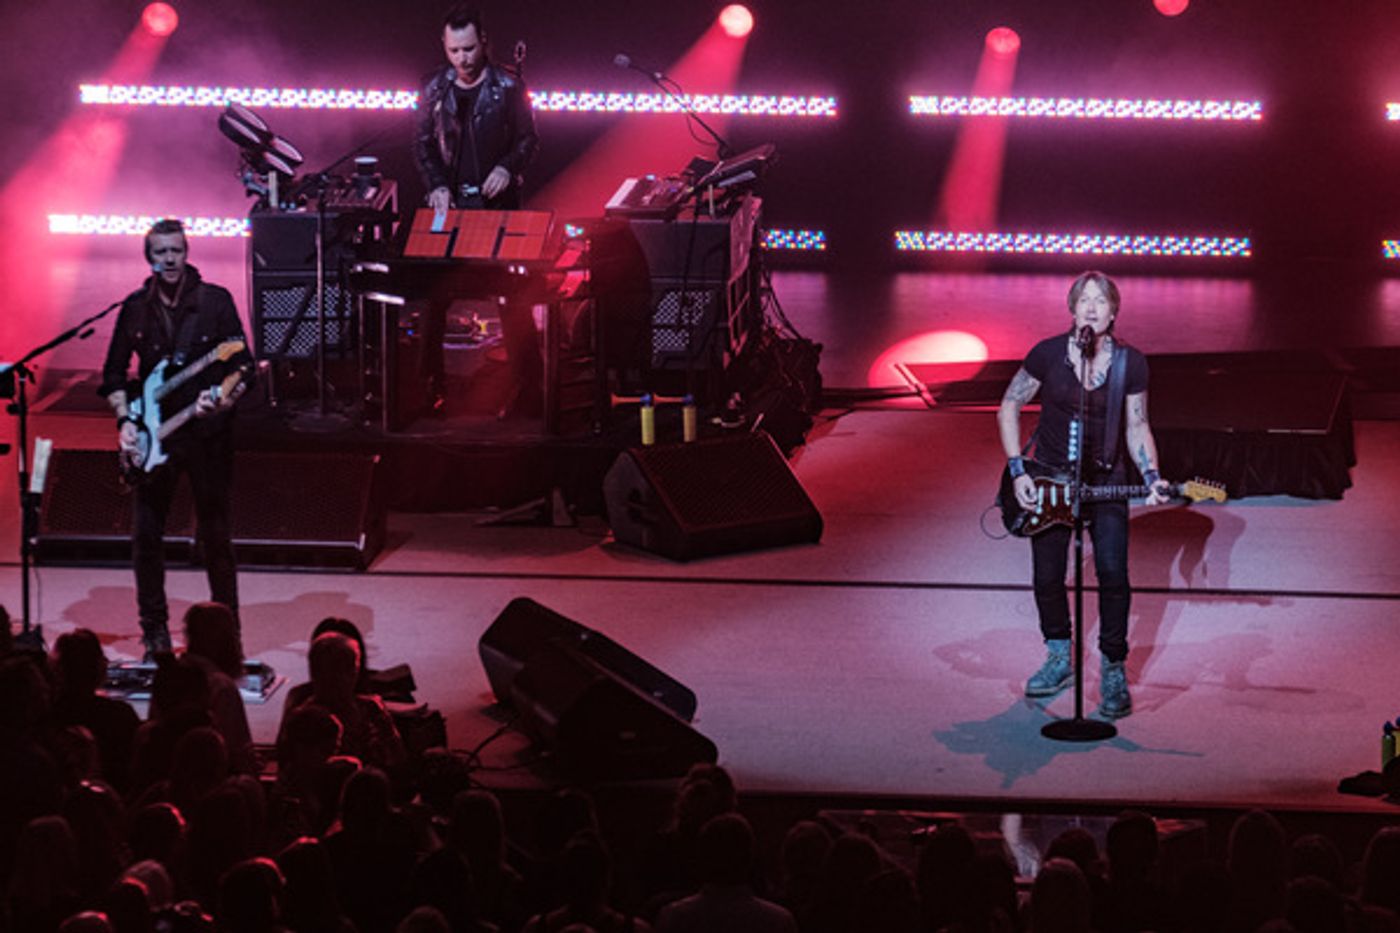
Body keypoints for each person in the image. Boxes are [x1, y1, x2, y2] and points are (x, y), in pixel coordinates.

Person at [996, 271, 1169, 719]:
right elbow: (1010, 404)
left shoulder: (1131, 363)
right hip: (1050, 478)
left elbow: (1137, 425)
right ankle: (1059, 655)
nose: (1092, 308)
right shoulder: (1047, 354)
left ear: (1114, 312)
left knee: (1113, 572)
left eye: (1101, 301)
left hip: (1106, 478)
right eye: (1084, 300)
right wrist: (1018, 470)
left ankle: (1113, 666)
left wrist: (1151, 474)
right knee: (1047, 575)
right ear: (1072, 308)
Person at [99, 218, 253, 659]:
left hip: (206, 435)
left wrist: (222, 400)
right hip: (154, 437)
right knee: (147, 538)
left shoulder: (215, 302)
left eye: (177, 251)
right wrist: (126, 422)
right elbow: (113, 374)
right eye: (161, 253)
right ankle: (155, 632)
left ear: (187, 252)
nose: (170, 260)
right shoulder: (135, 308)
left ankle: (227, 635)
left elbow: (243, 367)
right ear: (149, 258)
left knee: (216, 538)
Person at [412, 4, 542, 417]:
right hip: (450, 207)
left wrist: (507, 167)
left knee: (512, 297)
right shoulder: (434, 89)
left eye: (468, 49)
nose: (462, 59)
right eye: (454, 51)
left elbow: (528, 139)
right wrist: (436, 185)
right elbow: (422, 144)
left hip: (496, 207)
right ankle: (429, 385)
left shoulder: (508, 86)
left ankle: (529, 389)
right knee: (433, 298)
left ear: (483, 42)